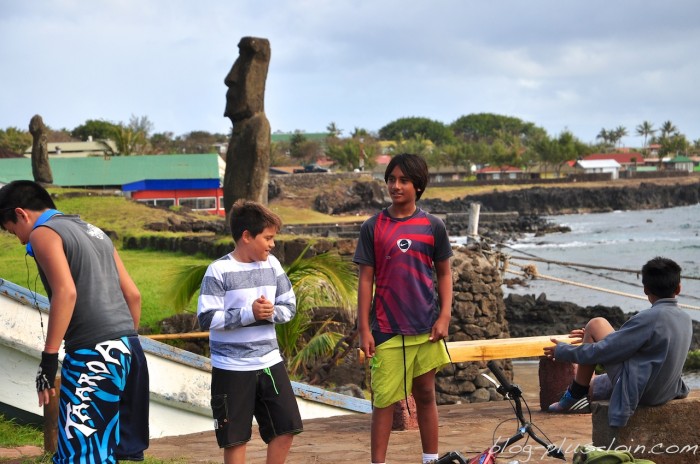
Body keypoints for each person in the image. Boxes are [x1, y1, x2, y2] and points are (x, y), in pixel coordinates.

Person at [0, 180, 149, 463]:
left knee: (78, 454)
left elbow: (66, 293)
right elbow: (133, 295)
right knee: (103, 450)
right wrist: (122, 343)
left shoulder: (43, 233)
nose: (21, 240)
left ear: (21, 214)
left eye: (13, 231)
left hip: (93, 354)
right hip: (129, 347)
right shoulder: (95, 231)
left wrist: (48, 358)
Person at [354, 153, 454, 464]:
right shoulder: (374, 227)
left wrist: (444, 316)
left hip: (425, 328)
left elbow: (445, 273)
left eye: (403, 180)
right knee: (383, 401)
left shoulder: (433, 226)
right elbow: (365, 279)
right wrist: (364, 329)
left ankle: (430, 459)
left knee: (425, 395)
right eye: (391, 179)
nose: (395, 186)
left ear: (419, 185)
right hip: (385, 330)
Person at [197, 200, 302, 464]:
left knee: (286, 428)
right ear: (246, 236)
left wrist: (270, 312)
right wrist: (249, 314)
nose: (272, 244)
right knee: (235, 438)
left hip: (269, 363)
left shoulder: (273, 266)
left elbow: (289, 307)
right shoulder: (218, 270)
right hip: (231, 367)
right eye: (267, 238)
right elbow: (206, 317)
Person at [544, 256, 692, 427]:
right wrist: (591, 337)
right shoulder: (685, 318)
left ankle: (575, 396)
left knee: (595, 324)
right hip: (665, 389)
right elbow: (642, 345)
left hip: (643, 392)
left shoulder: (649, 318)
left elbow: (604, 351)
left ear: (645, 289)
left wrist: (563, 351)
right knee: (595, 337)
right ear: (679, 288)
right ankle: (581, 391)